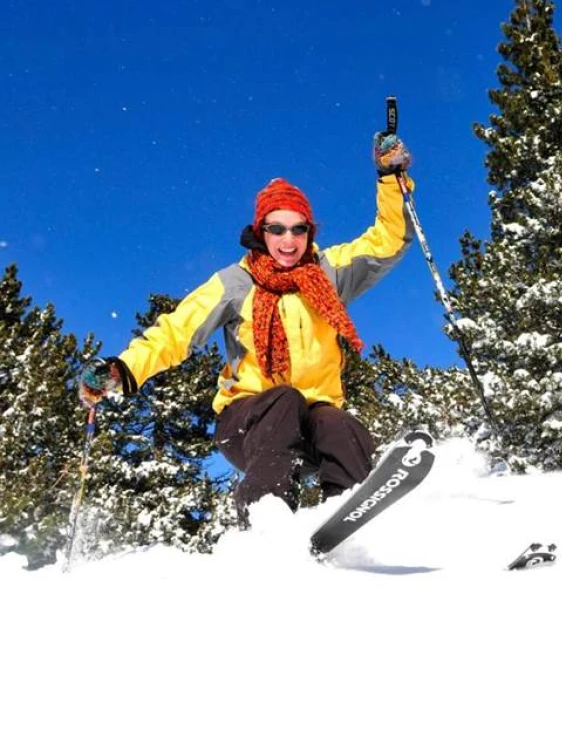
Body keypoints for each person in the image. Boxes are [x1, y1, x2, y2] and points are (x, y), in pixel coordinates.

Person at [78, 125, 417, 526]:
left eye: (299, 229)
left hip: (311, 425)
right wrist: (121, 370)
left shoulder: (329, 273)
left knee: (338, 424)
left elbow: (388, 240)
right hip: (246, 424)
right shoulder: (235, 283)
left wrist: (390, 177)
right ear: (260, 233)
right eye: (277, 229)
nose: (288, 240)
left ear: (310, 232)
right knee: (284, 399)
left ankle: (350, 517)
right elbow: (175, 332)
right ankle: (264, 522)